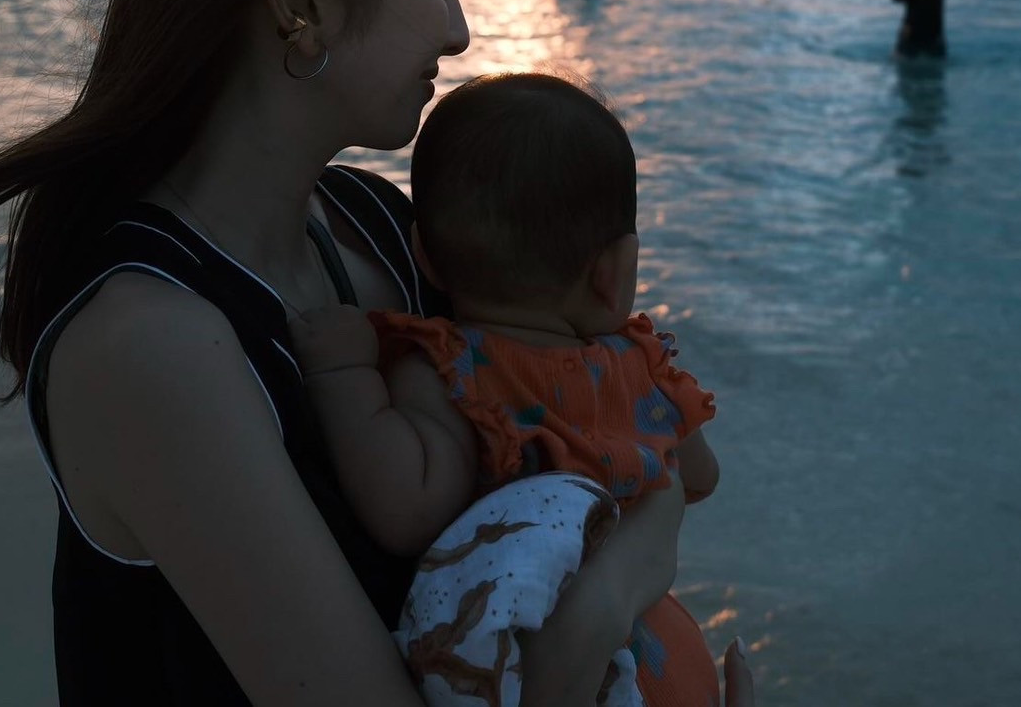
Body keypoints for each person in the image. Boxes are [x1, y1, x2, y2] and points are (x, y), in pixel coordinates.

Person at [0, 0, 751, 707]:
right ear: (304, 3)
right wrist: (622, 582)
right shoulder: (148, 345)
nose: (459, 29)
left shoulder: (373, 225)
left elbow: (579, 447)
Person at [291, 72, 722, 707]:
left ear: (425, 258)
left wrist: (342, 378)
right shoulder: (642, 365)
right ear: (615, 273)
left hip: (562, 672)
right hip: (662, 662)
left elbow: (405, 510)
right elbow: (700, 477)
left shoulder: (452, 375)